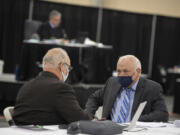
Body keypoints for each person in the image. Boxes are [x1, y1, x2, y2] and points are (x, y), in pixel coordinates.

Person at [13, 48, 92, 125]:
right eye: (68, 68)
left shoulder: (26, 86)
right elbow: (80, 119)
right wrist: (93, 117)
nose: (68, 71)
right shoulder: (61, 88)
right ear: (61, 66)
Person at [85, 55, 168, 123]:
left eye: (125, 71)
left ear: (138, 72)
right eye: (118, 71)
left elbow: (162, 114)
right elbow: (94, 98)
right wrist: (88, 115)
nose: (121, 75)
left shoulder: (152, 88)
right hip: (110, 130)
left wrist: (132, 121)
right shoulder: (112, 82)